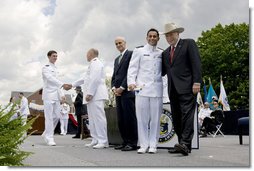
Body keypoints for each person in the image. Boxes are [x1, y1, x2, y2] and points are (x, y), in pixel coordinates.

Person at [161, 23, 202, 156]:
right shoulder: (165, 52)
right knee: (177, 118)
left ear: (178, 33)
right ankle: (182, 145)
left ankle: (185, 143)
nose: (169, 37)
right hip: (172, 90)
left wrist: (197, 82)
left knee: (187, 115)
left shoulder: (188, 44)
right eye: (167, 35)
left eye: (171, 34)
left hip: (188, 87)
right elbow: (162, 71)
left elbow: (196, 63)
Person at [128, 28, 163, 154]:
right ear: (147, 38)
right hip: (142, 89)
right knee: (142, 119)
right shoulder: (139, 51)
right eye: (150, 36)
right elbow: (132, 68)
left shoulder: (161, 53)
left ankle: (153, 144)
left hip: (157, 90)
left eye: (155, 36)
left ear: (158, 38)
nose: (152, 38)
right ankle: (143, 144)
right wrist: (131, 82)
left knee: (155, 119)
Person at [72, 48, 109, 149]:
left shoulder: (96, 63)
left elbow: (95, 79)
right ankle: (95, 139)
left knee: (98, 118)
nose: (86, 56)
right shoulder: (92, 64)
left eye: (87, 54)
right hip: (92, 96)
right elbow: (85, 79)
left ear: (91, 54)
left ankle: (103, 140)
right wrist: (72, 84)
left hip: (96, 95)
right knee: (92, 119)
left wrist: (90, 93)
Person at [111, 36, 138, 151]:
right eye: (116, 44)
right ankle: (125, 141)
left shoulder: (131, 54)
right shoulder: (116, 59)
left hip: (127, 92)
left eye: (120, 43)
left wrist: (122, 87)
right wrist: (113, 88)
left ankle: (132, 142)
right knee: (121, 119)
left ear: (125, 43)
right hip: (118, 93)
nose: (118, 45)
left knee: (129, 118)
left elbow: (130, 73)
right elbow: (114, 76)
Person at [41, 50, 70, 146]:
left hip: (56, 95)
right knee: (49, 117)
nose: (55, 58)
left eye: (56, 56)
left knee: (57, 116)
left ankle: (46, 133)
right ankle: (50, 138)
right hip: (48, 95)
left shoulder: (56, 68)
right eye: (54, 56)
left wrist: (62, 94)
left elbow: (57, 82)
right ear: (49, 57)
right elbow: (50, 79)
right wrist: (62, 84)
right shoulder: (46, 68)